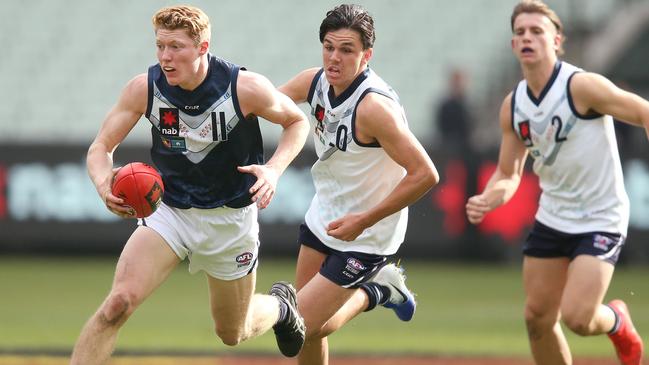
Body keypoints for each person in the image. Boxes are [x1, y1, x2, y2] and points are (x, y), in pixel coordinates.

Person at [70, 5, 310, 364]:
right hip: (170, 213)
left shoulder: (243, 87)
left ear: (202, 47)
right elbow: (101, 148)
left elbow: (297, 121)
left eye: (176, 46)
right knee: (117, 305)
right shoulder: (145, 88)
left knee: (233, 332)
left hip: (229, 219)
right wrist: (104, 183)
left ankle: (279, 306)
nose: (166, 56)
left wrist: (273, 170)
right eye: (160, 46)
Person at [465, 1, 647, 364]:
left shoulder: (581, 87)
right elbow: (508, 172)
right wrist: (490, 196)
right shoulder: (512, 105)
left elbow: (642, 110)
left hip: (601, 214)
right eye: (520, 33)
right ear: (513, 45)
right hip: (553, 216)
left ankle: (616, 320)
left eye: (537, 31)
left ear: (557, 40)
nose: (527, 38)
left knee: (579, 317)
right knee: (537, 318)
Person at [278, 4, 439, 364]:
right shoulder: (314, 81)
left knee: (297, 320)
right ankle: (379, 289)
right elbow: (263, 102)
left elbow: (426, 173)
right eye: (329, 47)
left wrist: (364, 220)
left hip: (369, 232)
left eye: (347, 50)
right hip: (325, 213)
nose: (334, 58)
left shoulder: (373, 108)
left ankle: (377, 290)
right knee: (306, 332)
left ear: (366, 56)